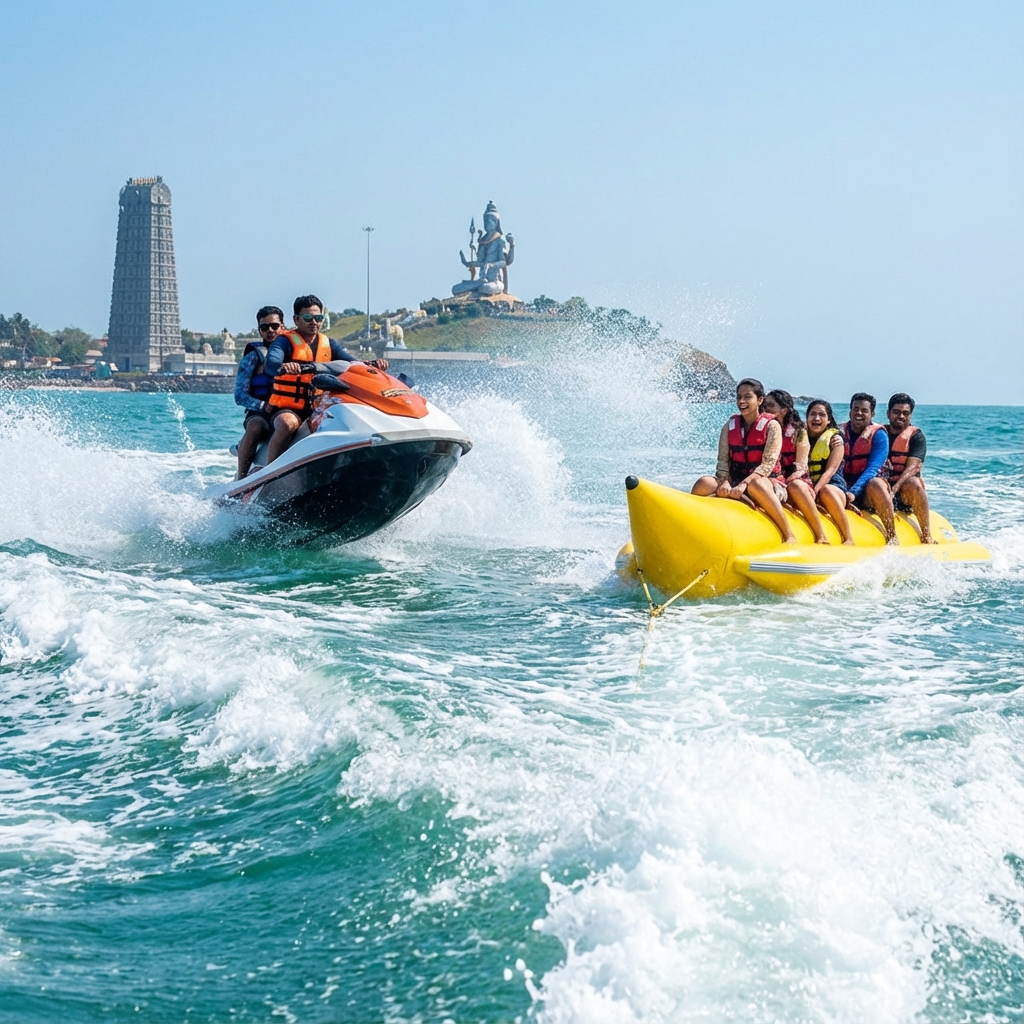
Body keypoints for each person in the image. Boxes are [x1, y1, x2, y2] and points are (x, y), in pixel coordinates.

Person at [265, 294, 387, 464]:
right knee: (287, 423)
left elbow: (351, 363)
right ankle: (270, 472)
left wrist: (371, 365)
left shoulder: (328, 344)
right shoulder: (284, 342)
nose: (313, 321)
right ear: (296, 319)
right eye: (308, 317)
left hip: (320, 405)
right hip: (287, 407)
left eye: (318, 317)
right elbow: (271, 364)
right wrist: (284, 366)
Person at [692, 377, 797, 544]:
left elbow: (768, 464)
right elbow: (723, 461)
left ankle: (789, 534)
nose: (741, 401)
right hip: (735, 481)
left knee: (758, 484)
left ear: (760, 399)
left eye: (747, 397)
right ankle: (691, 529)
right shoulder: (729, 425)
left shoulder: (772, 426)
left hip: (770, 483)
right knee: (704, 483)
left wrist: (745, 484)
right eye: (738, 397)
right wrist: (724, 481)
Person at [762, 389, 830, 544]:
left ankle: (821, 535)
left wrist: (783, 482)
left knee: (796, 485)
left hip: (793, 482)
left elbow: (801, 467)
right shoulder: (762, 429)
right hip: (771, 481)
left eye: (770, 406)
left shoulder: (798, 432)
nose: (765, 409)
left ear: (783, 410)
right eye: (765, 405)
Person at [233, 305, 283, 478]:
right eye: (264, 327)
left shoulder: (296, 354)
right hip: (261, 413)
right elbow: (239, 395)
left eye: (274, 326)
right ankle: (241, 478)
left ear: (282, 326)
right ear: (259, 330)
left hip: (289, 409)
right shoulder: (252, 358)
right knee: (255, 426)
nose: (270, 330)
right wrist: (262, 405)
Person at [841, 392, 897, 543]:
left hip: (867, 491)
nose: (859, 413)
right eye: (856, 409)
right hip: (844, 487)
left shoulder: (879, 435)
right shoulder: (840, 432)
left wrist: (853, 493)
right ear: (850, 411)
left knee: (876, 483)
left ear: (872, 414)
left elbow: (873, 469)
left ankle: (892, 535)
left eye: (864, 410)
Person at [883, 392, 934, 543]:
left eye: (905, 413)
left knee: (914, 482)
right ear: (888, 413)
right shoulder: (879, 433)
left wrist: (894, 489)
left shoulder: (916, 437)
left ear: (910, 416)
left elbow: (913, 467)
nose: (901, 416)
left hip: (902, 493)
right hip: (880, 488)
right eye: (896, 412)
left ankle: (926, 534)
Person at [803, 399, 854, 544]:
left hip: (833, 487)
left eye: (822, 415)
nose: (817, 418)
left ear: (828, 419)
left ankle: (848, 537)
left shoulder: (835, 440)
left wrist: (815, 491)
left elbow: (830, 471)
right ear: (807, 418)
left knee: (827, 491)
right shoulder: (801, 438)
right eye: (812, 414)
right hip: (809, 487)